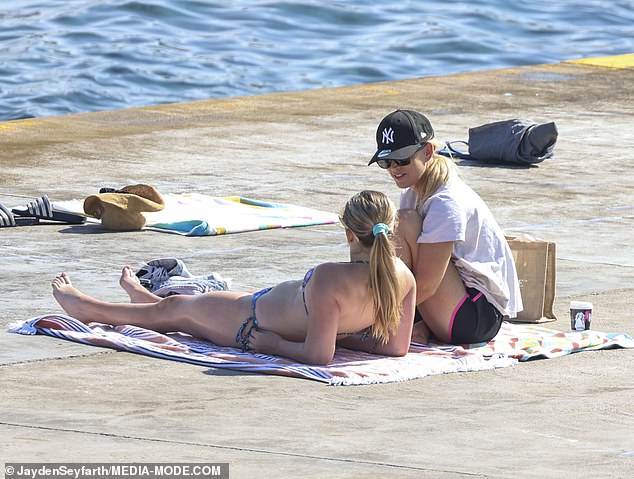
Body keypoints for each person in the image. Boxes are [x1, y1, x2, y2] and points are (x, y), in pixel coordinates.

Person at [51, 190, 416, 366]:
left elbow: (317, 356)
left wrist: (273, 346)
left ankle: (86, 308)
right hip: (264, 309)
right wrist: (348, 333)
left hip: (252, 319)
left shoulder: (329, 278)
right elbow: (396, 348)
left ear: (350, 235)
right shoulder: (404, 277)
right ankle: (145, 300)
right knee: (182, 311)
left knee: (178, 309)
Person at [368, 109, 522, 345]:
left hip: (477, 315)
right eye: (385, 161)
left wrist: (368, 319)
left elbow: (426, 285)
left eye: (402, 159)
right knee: (401, 225)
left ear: (428, 151)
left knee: (405, 224)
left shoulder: (445, 202)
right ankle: (417, 324)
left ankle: (396, 324)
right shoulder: (413, 191)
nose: (394, 168)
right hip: (459, 299)